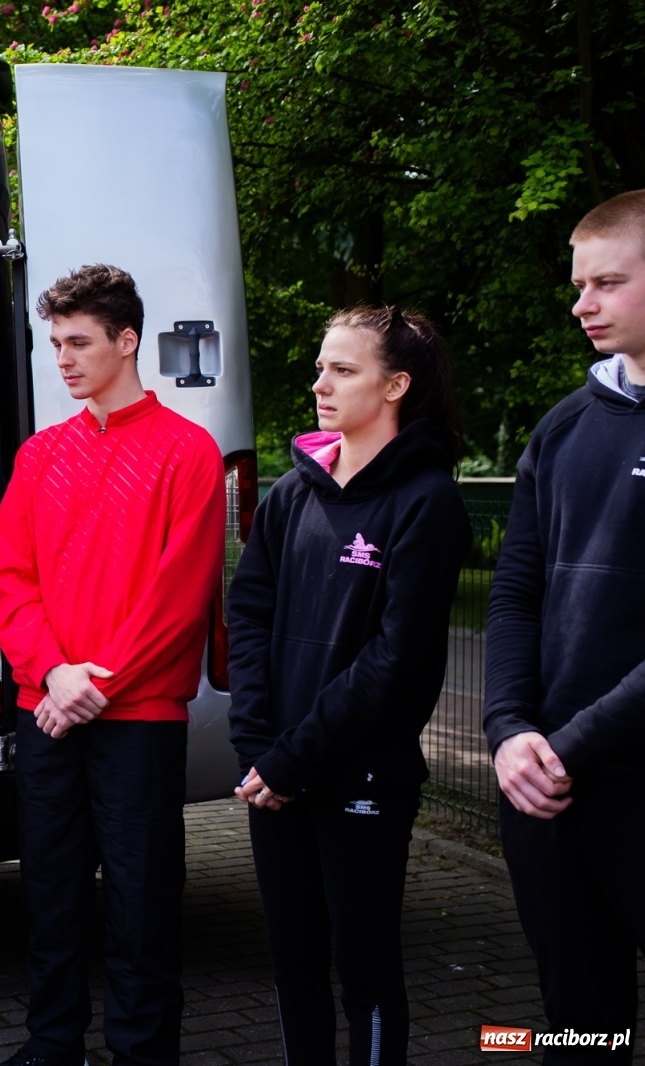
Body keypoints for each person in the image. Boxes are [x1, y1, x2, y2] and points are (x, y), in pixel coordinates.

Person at [0, 264, 223, 1066]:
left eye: (79, 341)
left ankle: (142, 1051)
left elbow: (181, 592)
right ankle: (52, 1046)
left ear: (127, 342)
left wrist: (94, 682)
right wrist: (53, 673)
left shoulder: (188, 453)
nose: (62, 358)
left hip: (137, 718)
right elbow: (10, 578)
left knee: (142, 899)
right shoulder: (38, 455)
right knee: (51, 896)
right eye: (54, 342)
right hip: (48, 706)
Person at [227, 307, 471, 1065]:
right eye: (320, 366)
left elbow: (394, 658)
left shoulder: (427, 502)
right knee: (293, 964)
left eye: (343, 369)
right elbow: (249, 613)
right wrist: (259, 747)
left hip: (359, 775)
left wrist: (294, 759)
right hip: (275, 775)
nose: (319, 383)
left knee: (363, 968)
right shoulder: (291, 494)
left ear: (395, 385)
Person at [483, 189, 645, 1060]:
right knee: (584, 1030)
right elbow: (513, 594)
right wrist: (509, 732)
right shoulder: (562, 427)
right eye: (579, 284)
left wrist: (563, 747)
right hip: (546, 791)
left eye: (607, 283)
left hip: (603, 772)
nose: (581, 304)